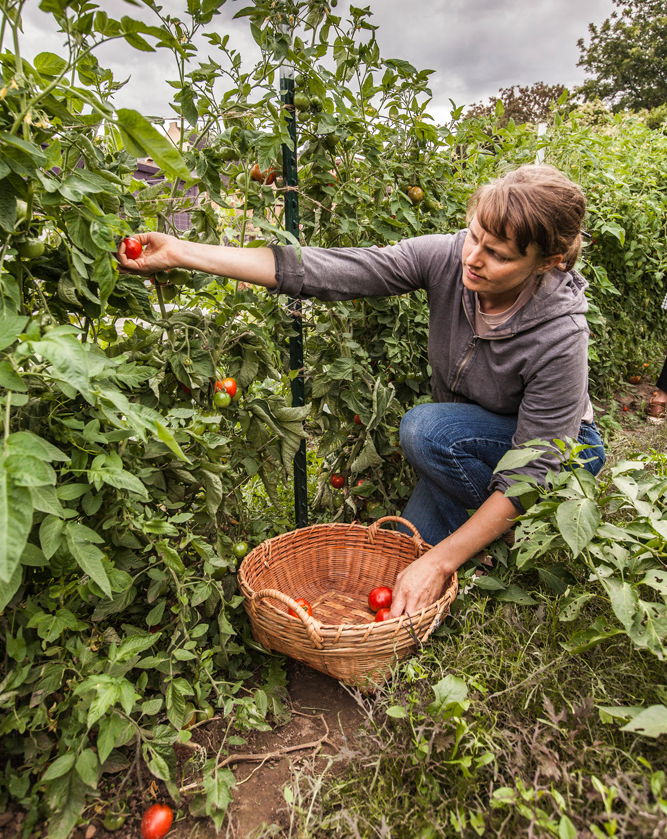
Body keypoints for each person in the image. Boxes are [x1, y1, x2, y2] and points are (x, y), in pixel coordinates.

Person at [117, 164, 605, 619]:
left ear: (549, 262)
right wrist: (181, 252)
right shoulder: (448, 258)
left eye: (497, 254)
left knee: (424, 434)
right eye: (474, 236)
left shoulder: (560, 334)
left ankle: (511, 546)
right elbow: (333, 269)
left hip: (557, 452)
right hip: (466, 439)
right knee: (396, 560)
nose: (472, 259)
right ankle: (481, 545)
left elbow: (536, 468)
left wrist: (438, 563)